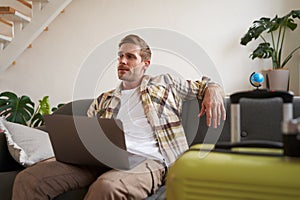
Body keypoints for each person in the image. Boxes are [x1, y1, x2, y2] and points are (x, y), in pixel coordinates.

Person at [12, 34, 226, 200]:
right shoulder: (104, 99)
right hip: (100, 159)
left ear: (145, 63)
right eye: (120, 56)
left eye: (130, 57)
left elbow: (203, 85)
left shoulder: (165, 82)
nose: (122, 61)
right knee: (30, 179)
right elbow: (85, 138)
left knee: (107, 187)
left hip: (147, 159)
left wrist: (214, 89)